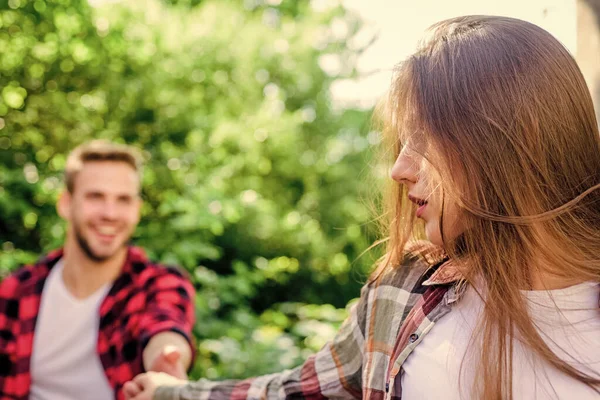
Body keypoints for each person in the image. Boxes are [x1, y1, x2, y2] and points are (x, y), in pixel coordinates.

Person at [124, 15, 600, 400]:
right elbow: (297, 390)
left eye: (423, 138)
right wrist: (175, 393)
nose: (398, 169)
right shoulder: (406, 286)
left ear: (508, 141)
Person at [0, 140, 196, 400]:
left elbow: (166, 324)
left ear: (137, 211)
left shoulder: (157, 283)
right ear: (66, 204)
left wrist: (166, 361)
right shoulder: (16, 291)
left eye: (123, 200)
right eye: (96, 196)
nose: (110, 213)